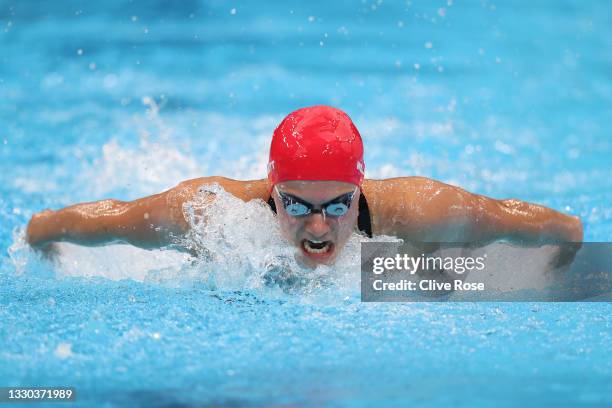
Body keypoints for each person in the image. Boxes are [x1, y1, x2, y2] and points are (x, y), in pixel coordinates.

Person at [26, 105, 583, 268]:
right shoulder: (207, 216)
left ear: (359, 192)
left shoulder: (425, 212)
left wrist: (564, 256)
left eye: (338, 205)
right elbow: (101, 220)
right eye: (295, 204)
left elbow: (559, 228)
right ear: (272, 189)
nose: (318, 227)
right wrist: (42, 234)